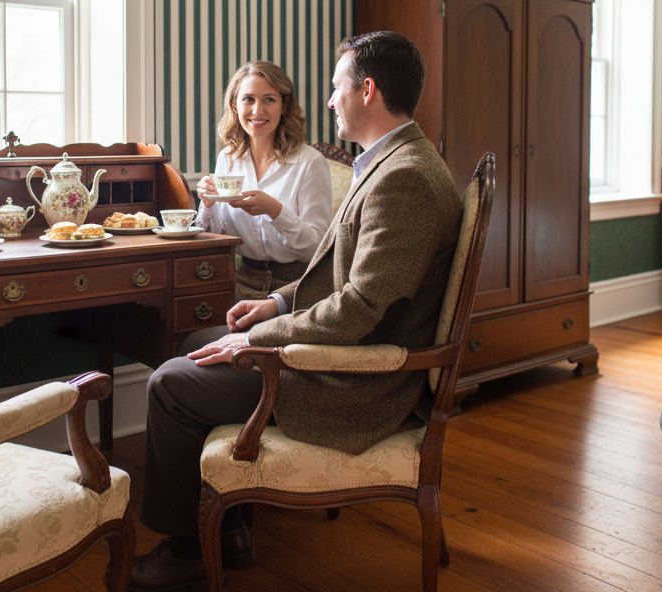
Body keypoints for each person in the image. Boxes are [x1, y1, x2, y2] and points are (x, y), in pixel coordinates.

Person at [130, 32, 463, 592]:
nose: (330, 99)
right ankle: (229, 529)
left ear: (368, 90)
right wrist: (276, 302)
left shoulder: (403, 178)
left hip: (353, 380)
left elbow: (357, 310)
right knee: (194, 345)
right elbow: (344, 281)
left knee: (169, 384)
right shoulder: (389, 163)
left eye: (337, 87)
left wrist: (260, 338)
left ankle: (189, 550)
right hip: (337, 347)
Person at [195, 61, 333, 301]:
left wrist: (276, 211)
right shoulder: (227, 159)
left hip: (296, 286)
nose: (257, 110)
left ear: (284, 105)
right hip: (240, 280)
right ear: (235, 106)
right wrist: (207, 206)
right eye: (248, 99)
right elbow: (212, 240)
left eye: (269, 99)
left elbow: (319, 248)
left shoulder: (310, 163)